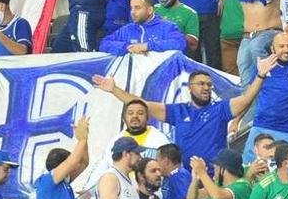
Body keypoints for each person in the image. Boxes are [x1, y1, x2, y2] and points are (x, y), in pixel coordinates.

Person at [93, 56, 270, 166]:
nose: (206, 88)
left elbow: (247, 99)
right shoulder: (178, 111)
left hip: (215, 175)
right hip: (185, 177)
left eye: (209, 84)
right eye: (201, 84)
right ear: (190, 88)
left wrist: (260, 75)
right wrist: (114, 90)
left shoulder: (221, 109)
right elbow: (141, 105)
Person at [99, 0, 188, 56]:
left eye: (137, 8)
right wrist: (127, 47)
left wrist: (146, 46)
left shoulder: (167, 27)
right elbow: (104, 44)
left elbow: (179, 43)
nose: (132, 12)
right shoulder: (127, 29)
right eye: (131, 8)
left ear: (150, 10)